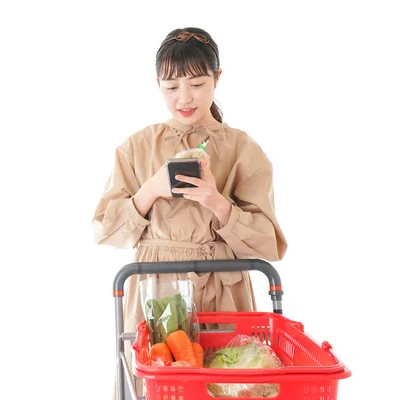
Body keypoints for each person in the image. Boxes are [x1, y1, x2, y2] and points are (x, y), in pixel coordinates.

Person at [92, 27, 287, 397]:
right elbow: (104, 229)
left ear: (217, 78)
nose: (184, 97)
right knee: (159, 386)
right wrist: (150, 191)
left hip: (223, 284)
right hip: (155, 287)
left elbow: (269, 242)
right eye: (171, 86)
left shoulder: (244, 149)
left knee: (230, 385)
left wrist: (216, 200)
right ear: (157, 84)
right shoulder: (137, 147)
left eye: (197, 83)